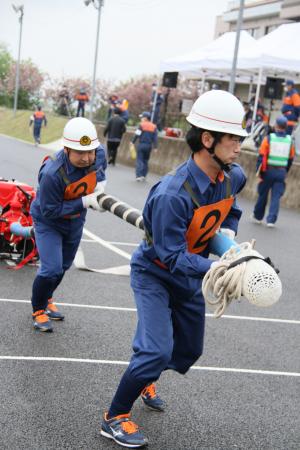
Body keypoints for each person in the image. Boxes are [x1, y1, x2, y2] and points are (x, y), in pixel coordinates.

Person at [100, 90, 247, 448]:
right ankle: (115, 416)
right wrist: (225, 269)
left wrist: (232, 245)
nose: (240, 145)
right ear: (207, 140)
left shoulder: (233, 176)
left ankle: (147, 375)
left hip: (188, 273)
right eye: (233, 138)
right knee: (154, 351)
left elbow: (230, 214)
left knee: (187, 352)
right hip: (155, 274)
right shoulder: (171, 194)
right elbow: (173, 258)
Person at [30, 117, 107, 332]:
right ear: (66, 149)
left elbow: (101, 163)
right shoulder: (52, 173)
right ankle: (38, 309)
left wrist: (100, 185)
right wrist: (84, 201)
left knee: (63, 266)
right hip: (49, 221)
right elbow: (49, 210)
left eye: (89, 151)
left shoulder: (98, 154)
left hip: (75, 221)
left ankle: (47, 297)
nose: (86, 158)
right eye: (80, 153)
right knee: (50, 269)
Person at [252, 115, 295, 227]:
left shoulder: (268, 139)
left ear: (276, 125)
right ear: (285, 127)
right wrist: (285, 170)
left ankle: (258, 217)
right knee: (276, 197)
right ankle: (271, 220)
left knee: (263, 194)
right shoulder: (290, 141)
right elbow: (291, 158)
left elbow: (261, 156)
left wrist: (259, 171)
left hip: (268, 171)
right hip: (281, 172)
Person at [131, 111, 158, 182]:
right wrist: (155, 147)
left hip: (142, 144)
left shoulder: (141, 125)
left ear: (145, 118)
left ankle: (139, 175)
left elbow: (137, 134)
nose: (141, 119)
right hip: (149, 146)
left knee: (139, 160)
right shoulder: (154, 126)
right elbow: (155, 138)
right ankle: (144, 175)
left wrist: (132, 142)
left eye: (142, 117)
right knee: (145, 160)